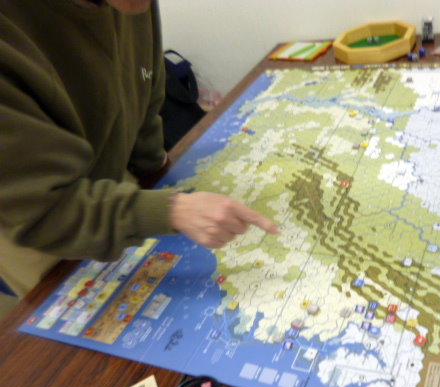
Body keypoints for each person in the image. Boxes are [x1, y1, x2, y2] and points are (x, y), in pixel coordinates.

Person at [0, 0, 279, 297]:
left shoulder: (132, 5)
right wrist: (172, 210)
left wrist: (156, 172)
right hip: (30, 215)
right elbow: (42, 213)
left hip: (105, 178)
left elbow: (145, 92)